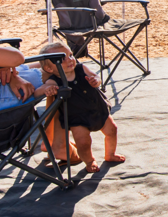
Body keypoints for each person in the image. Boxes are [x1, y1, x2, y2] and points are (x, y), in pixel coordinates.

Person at [39, 41, 125, 173]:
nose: (70, 60)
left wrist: (96, 81)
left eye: (70, 55)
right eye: (62, 59)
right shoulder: (54, 81)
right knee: (83, 143)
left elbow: (96, 77)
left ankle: (110, 154)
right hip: (76, 117)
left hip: (97, 109)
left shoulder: (81, 68)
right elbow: (38, 91)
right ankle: (90, 161)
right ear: (49, 69)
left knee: (112, 130)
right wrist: (48, 89)